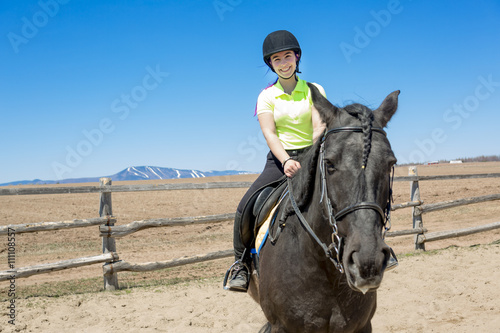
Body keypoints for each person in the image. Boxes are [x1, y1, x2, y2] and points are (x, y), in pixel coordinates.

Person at [227, 30, 328, 292]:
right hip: (279, 161)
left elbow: (319, 126)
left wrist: (309, 157)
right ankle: (241, 264)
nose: (284, 63)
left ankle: (375, 251)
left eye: (287, 56)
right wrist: (285, 161)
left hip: (314, 155)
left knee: (354, 188)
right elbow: (270, 133)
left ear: (297, 57)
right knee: (245, 206)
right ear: (270, 64)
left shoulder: (314, 90)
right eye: (277, 59)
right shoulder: (267, 96)